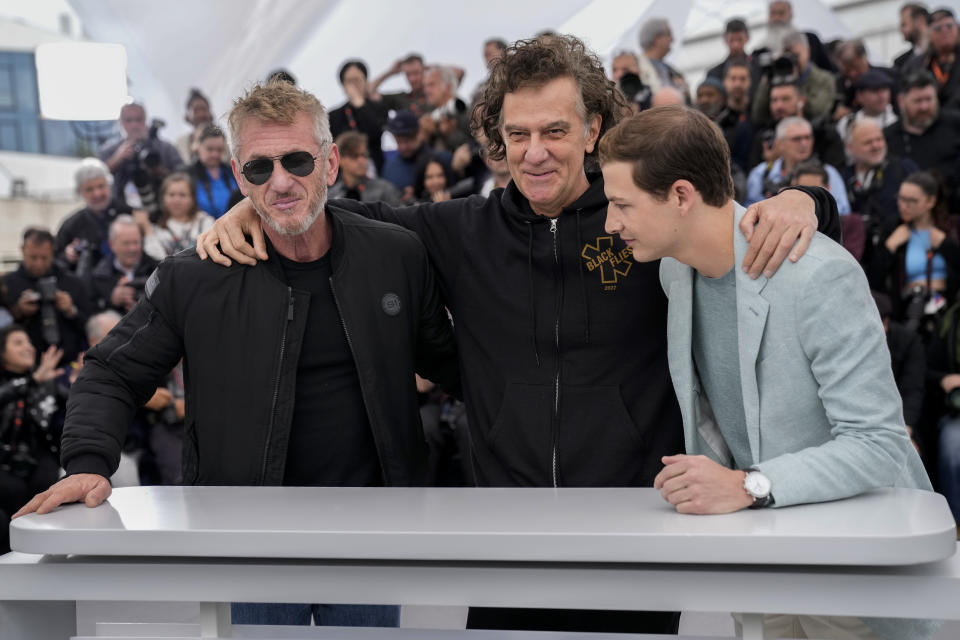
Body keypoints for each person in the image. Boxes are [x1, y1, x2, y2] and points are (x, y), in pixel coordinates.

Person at [197, 35, 837, 637]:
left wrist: (805, 198)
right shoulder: (458, 231)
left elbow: (725, 216)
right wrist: (252, 204)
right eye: (518, 134)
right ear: (496, 141)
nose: (536, 151)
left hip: (636, 531)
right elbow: (332, 212)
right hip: (506, 540)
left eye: (556, 131)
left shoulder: (645, 224)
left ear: (592, 131)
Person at [14, 80, 459, 630]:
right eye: (259, 168)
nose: (281, 181)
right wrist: (86, 463)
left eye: (297, 160)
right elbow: (111, 369)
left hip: (368, 534)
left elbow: (452, 363)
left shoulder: (395, 255)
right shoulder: (195, 278)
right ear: (236, 176)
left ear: (331, 163)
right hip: (246, 538)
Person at [599, 104, 936, 640]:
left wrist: (747, 486)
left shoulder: (818, 275)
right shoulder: (672, 270)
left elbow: (879, 444)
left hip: (857, 567)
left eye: (621, 204)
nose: (611, 223)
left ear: (682, 195)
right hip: (764, 557)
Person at [0, 324, 66, 554]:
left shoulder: (47, 379)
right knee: (13, 490)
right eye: (18, 343)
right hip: (4, 458)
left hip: (39, 454)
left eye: (29, 342)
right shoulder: (31, 380)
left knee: (47, 486)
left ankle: (47, 554)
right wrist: (33, 381)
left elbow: (70, 408)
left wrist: (78, 386)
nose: (28, 347)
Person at [873, 171, 960, 328]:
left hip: (946, 309)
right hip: (908, 311)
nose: (903, 205)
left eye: (911, 201)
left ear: (930, 201)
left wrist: (947, 245)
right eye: (900, 198)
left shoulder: (951, 228)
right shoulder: (893, 230)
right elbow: (873, 279)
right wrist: (890, 247)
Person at [2, 228, 91, 367]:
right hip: (25, 366)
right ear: (22, 250)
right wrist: (18, 311)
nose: (38, 263)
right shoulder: (7, 285)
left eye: (44, 258)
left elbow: (91, 326)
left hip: (69, 362)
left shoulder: (73, 283)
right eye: (33, 257)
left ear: (52, 253)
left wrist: (71, 311)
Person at [884, 71, 960, 212]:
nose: (924, 107)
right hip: (906, 213)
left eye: (929, 99)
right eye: (918, 101)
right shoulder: (887, 137)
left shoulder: (955, 125)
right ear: (901, 100)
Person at [746, 116, 851, 212]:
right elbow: (749, 210)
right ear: (780, 143)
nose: (804, 144)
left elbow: (842, 212)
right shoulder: (760, 173)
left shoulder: (828, 172)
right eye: (796, 139)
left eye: (808, 138)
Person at [55, 158, 134, 277]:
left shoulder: (130, 213)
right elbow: (55, 260)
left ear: (109, 185)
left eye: (101, 186)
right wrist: (67, 256)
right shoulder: (71, 225)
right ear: (80, 192)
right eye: (89, 189)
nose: (97, 194)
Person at [98, 102, 182, 210]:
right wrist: (117, 158)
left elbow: (183, 175)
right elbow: (97, 178)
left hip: (163, 208)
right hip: (122, 211)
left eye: (139, 119)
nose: (134, 125)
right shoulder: (109, 150)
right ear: (121, 122)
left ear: (145, 120)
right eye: (128, 120)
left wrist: (160, 171)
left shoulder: (165, 148)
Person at [752, 29, 837, 124]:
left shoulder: (824, 79)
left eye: (795, 56)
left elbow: (818, 110)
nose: (792, 60)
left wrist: (793, 83)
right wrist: (768, 80)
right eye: (787, 55)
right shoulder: (774, 78)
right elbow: (758, 114)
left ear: (808, 52)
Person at [87, 216, 160, 314]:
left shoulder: (157, 269)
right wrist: (110, 298)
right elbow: (90, 315)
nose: (132, 249)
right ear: (111, 245)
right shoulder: (99, 276)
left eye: (136, 242)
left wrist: (145, 305)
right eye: (126, 243)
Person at [329, 60, 389, 173]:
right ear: (343, 85)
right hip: (345, 175)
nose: (354, 85)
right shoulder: (333, 116)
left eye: (357, 80)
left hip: (375, 170)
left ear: (366, 81)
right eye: (349, 81)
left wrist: (359, 103)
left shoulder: (379, 108)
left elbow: (375, 133)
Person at [144, 172, 216, 260]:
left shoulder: (205, 222)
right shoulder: (156, 227)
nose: (177, 200)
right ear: (163, 198)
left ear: (193, 198)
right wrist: (147, 230)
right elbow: (155, 257)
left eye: (182, 195)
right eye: (171, 195)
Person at [904, 8, 960, 111]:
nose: (945, 31)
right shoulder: (916, 65)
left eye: (949, 26)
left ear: (958, 28)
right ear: (929, 34)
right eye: (938, 28)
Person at [329, 131, 401, 205]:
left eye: (364, 155)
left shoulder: (384, 190)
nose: (361, 161)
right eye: (354, 156)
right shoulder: (331, 196)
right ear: (339, 159)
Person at [188, 124, 238, 219]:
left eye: (219, 150)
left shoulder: (231, 172)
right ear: (199, 147)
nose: (215, 154)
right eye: (209, 149)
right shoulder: (188, 175)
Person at [637, 18, 687, 95]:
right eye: (669, 34)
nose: (672, 39)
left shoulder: (673, 71)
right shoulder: (635, 68)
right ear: (657, 38)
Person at [175, 89, 214, 164]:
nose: (201, 114)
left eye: (204, 109)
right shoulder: (180, 144)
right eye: (196, 110)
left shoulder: (223, 141)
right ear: (188, 116)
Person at [894, 4, 931, 73]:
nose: (901, 30)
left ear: (920, 21)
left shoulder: (945, 54)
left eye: (904, 24)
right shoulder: (901, 63)